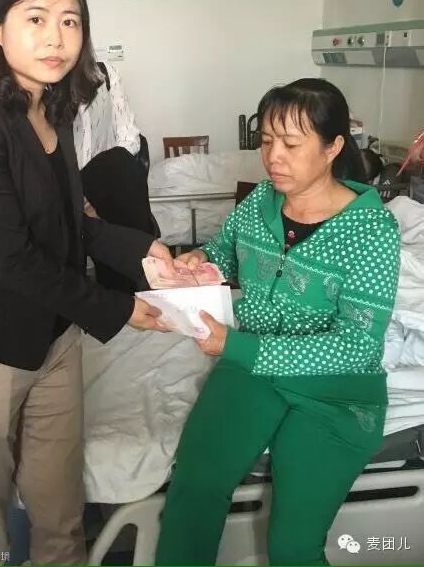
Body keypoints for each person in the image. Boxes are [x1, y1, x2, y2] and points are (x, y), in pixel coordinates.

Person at [0, 0, 173, 565]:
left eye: (70, 22)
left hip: (56, 340)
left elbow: (71, 221)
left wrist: (143, 251)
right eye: (36, 18)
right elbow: (12, 257)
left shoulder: (53, 110)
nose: (55, 37)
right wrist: (117, 307)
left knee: (60, 514)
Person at [155, 78, 401, 566]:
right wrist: (196, 263)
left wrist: (235, 346)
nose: (274, 157)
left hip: (334, 394)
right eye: (267, 141)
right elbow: (225, 252)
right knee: (193, 491)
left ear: (333, 147)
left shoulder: (372, 231)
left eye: (291, 143)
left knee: (293, 546)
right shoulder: (260, 203)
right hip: (252, 372)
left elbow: (357, 346)